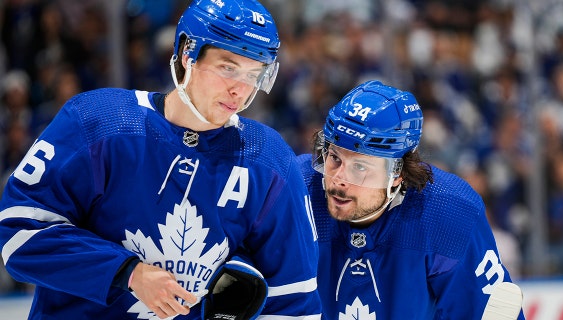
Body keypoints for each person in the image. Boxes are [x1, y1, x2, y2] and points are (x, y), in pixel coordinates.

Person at [0, 1, 322, 319]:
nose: (240, 89)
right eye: (228, 68)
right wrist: (127, 272)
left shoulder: (269, 161)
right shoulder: (100, 122)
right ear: (187, 54)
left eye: (254, 74)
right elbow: (18, 232)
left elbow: (294, 302)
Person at [297, 80, 525, 319]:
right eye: (334, 158)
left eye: (360, 167)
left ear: (398, 174)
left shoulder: (449, 213)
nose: (338, 180)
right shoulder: (294, 190)